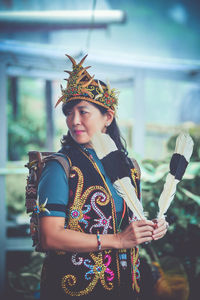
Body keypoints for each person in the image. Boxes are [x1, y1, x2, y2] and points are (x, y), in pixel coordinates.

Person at [37, 54, 168, 300]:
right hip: (74, 290)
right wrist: (118, 240)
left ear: (108, 117)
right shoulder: (59, 167)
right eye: (69, 113)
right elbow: (49, 237)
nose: (73, 120)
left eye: (83, 112)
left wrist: (150, 228)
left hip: (127, 287)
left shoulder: (129, 167)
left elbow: (127, 221)